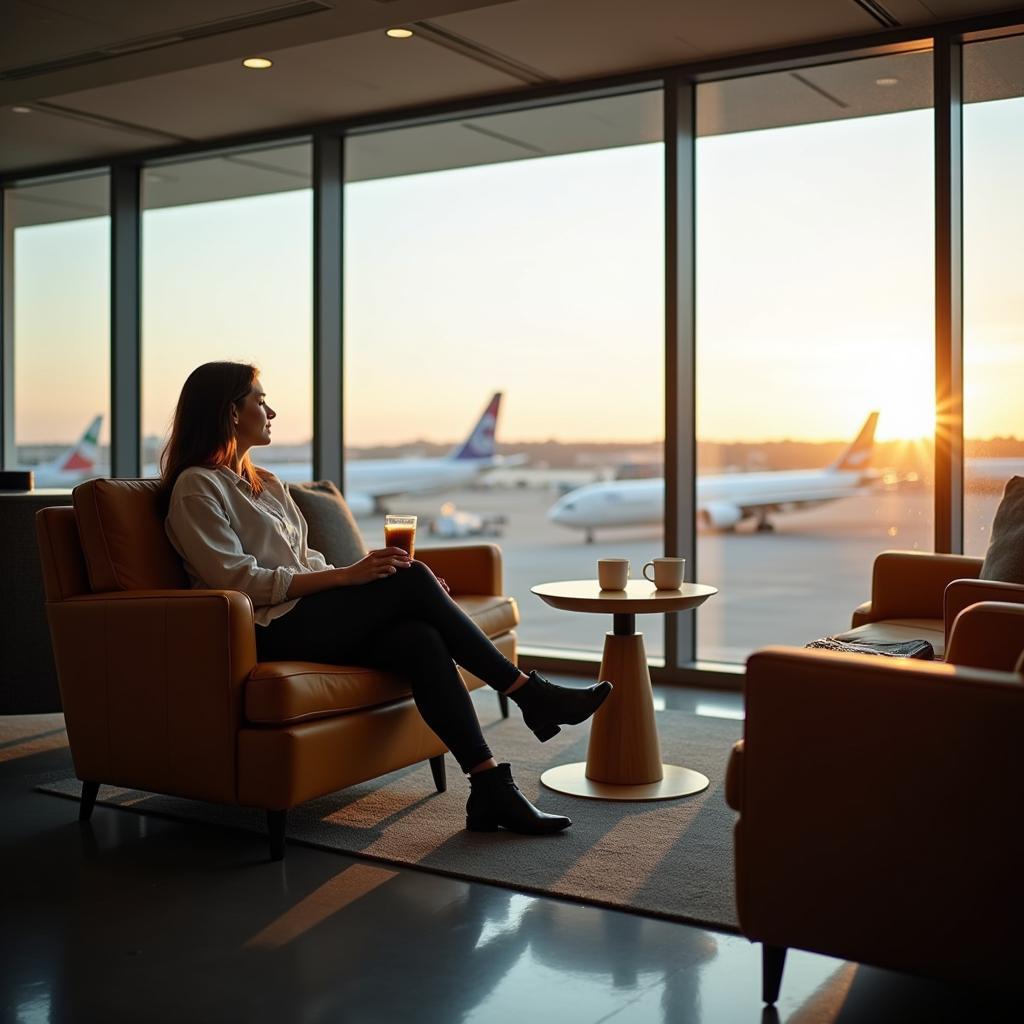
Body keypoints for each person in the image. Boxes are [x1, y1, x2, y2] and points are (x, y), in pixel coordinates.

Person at [161, 362, 612, 835]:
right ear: (231, 413)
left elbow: (308, 561)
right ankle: (528, 693)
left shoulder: (266, 484)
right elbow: (239, 580)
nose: (270, 410)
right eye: (259, 400)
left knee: (419, 637)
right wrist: (355, 579)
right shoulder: (198, 487)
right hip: (264, 628)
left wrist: (359, 577)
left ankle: (489, 790)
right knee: (410, 576)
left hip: (306, 617)